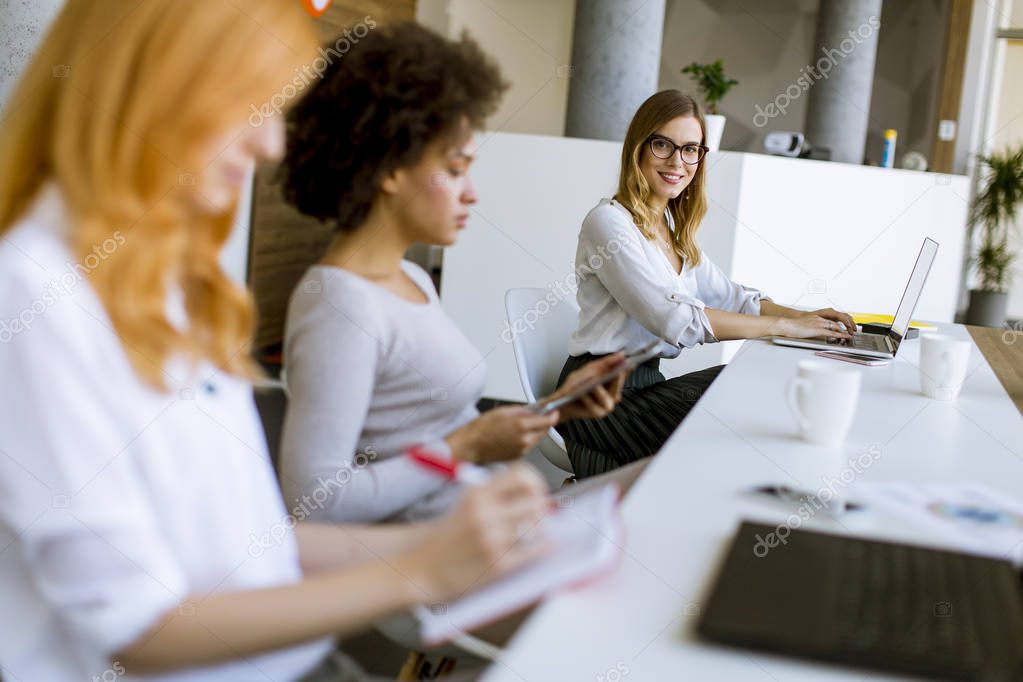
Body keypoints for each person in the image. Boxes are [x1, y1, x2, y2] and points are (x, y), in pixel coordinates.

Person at [0, 3, 552, 680]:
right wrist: (418, 569)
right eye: (248, 104)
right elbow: (138, 628)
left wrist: (448, 546)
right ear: (151, 83)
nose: (269, 144)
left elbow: (250, 543)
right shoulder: (32, 297)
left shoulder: (172, 284)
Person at [278, 22, 627, 524]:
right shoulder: (338, 304)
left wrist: (554, 409)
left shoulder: (413, 281)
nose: (472, 193)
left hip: (490, 524)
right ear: (391, 167)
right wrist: (465, 447)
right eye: (456, 167)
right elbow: (315, 502)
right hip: (438, 564)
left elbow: (431, 428)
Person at [555, 90, 856, 477]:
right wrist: (785, 328)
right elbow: (675, 319)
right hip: (598, 400)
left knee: (746, 389)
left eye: (691, 149)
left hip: (644, 385)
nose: (677, 161)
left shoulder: (672, 228)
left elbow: (734, 298)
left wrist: (807, 318)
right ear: (638, 148)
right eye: (663, 145)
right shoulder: (609, 223)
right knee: (740, 391)